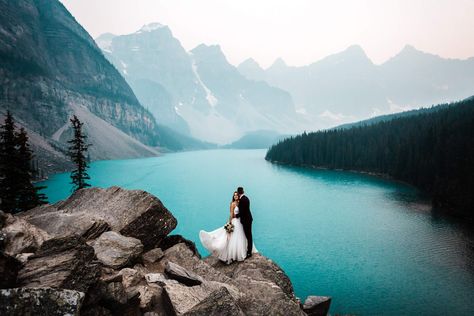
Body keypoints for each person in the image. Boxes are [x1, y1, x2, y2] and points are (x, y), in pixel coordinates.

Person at [199, 190, 256, 264]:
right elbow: (231, 215)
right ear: (233, 196)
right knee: (234, 238)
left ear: (238, 195)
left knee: (241, 237)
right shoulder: (232, 204)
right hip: (235, 222)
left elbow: (243, 211)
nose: (236, 196)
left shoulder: (240, 202)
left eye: (236, 195)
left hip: (240, 222)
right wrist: (229, 223)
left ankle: (242, 251)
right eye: (234, 195)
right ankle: (233, 255)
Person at [235, 186, 253, 258]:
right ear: (243, 192)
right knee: (249, 236)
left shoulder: (242, 200)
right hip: (248, 219)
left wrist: (236, 216)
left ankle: (249, 252)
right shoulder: (246, 198)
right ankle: (249, 250)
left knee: (248, 236)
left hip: (246, 220)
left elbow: (242, 211)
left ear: (239, 193)